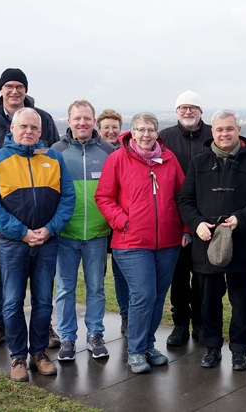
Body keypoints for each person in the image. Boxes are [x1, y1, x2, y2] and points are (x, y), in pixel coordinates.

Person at [0, 68, 61, 352]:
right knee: (1, 273)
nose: (15, 91)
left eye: (20, 86)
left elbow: (54, 162)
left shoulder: (42, 118)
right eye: (9, 86)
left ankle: (45, 328)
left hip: (42, 220)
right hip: (4, 221)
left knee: (43, 283)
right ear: (1, 90)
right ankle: (0, 325)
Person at [0, 108, 75, 382]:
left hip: (47, 241)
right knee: (11, 302)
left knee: (44, 302)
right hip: (13, 244)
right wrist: (22, 232)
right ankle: (18, 356)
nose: (29, 131)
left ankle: (39, 354)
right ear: (12, 128)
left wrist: (50, 229)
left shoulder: (54, 159)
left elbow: (67, 198)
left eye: (34, 127)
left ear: (41, 131)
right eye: (23, 126)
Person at [178, 109, 246, 371]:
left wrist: (241, 219)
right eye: (220, 129)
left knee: (241, 300)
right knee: (208, 300)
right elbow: (185, 200)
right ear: (213, 132)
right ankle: (211, 347)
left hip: (239, 243)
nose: (224, 133)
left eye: (229, 129)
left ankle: (239, 350)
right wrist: (197, 224)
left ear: (238, 131)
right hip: (205, 243)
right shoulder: (198, 163)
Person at [95, 112, 188, 374]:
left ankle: (148, 345)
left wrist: (185, 227)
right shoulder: (117, 159)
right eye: (140, 129)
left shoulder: (169, 159)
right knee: (142, 295)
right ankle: (135, 351)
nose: (146, 134)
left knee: (158, 297)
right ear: (132, 132)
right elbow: (104, 197)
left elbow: (183, 196)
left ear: (157, 132)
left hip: (168, 241)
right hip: (131, 241)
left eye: (150, 129)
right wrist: (123, 222)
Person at [51, 100, 115, 361]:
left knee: (96, 288)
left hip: (97, 235)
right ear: (69, 121)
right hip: (65, 234)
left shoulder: (108, 150)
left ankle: (95, 334)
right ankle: (67, 338)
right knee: (65, 288)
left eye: (87, 118)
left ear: (94, 120)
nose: (82, 123)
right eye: (77, 118)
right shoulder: (56, 151)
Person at [159, 90, 212, 346]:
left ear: (201, 111)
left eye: (193, 107)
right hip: (175, 219)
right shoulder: (164, 138)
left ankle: (201, 324)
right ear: (176, 111)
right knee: (178, 276)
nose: (188, 112)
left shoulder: (213, 134)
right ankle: (180, 324)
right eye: (183, 108)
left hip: (208, 220)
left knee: (203, 276)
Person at [96, 108, 129, 335]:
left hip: (121, 223)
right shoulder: (95, 152)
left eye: (114, 127)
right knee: (97, 277)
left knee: (123, 273)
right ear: (99, 129)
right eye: (106, 127)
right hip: (98, 223)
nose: (110, 131)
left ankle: (126, 316)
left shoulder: (128, 152)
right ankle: (95, 325)